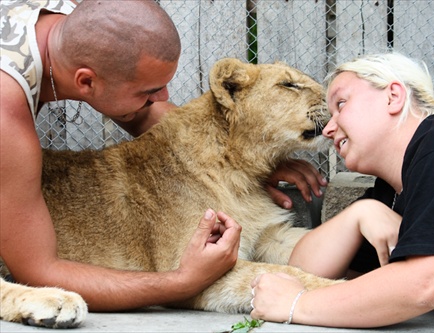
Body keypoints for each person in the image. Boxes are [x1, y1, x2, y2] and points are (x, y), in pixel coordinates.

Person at [0, 0, 325, 312]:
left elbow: (144, 115)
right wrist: (181, 283)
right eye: (148, 92)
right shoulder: (6, 115)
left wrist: (241, 156)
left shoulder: (81, 21)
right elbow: (39, 271)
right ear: (86, 82)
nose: (164, 98)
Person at [250, 52, 434, 327]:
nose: (329, 129)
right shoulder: (393, 192)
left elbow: (424, 285)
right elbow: (303, 271)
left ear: (393, 96)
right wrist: (361, 213)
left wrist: (297, 305)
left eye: (341, 104)